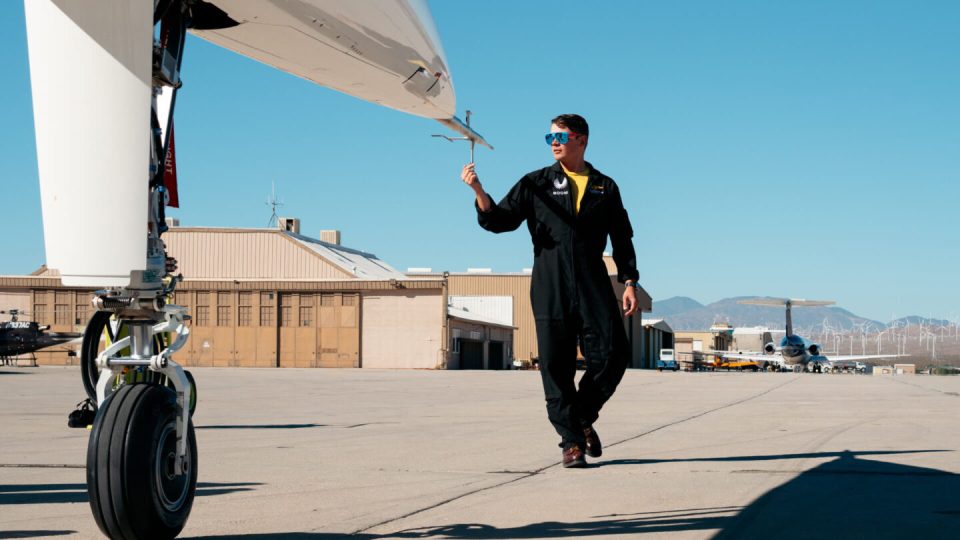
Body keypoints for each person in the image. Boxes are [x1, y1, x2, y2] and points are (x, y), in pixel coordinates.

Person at [461, 113, 639, 468]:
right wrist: (479, 191)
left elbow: (622, 237)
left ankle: (581, 418)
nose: (554, 142)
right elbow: (499, 221)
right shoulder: (536, 183)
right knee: (555, 368)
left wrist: (629, 280)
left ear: (582, 140)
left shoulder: (605, 186)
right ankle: (571, 443)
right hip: (550, 283)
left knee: (614, 355)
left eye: (561, 136)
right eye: (549, 137)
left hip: (592, 281)